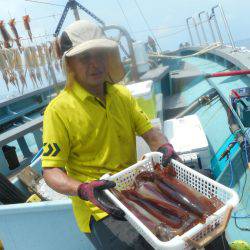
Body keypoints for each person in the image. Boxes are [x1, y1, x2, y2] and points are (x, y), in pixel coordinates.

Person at [42, 20, 176, 249]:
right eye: (84, 57)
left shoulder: (122, 95)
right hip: (99, 206)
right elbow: (51, 171)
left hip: (134, 190)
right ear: (70, 64)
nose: (95, 64)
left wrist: (165, 148)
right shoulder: (57, 110)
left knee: (178, 232)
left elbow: (150, 133)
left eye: (100, 55)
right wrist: (82, 189)